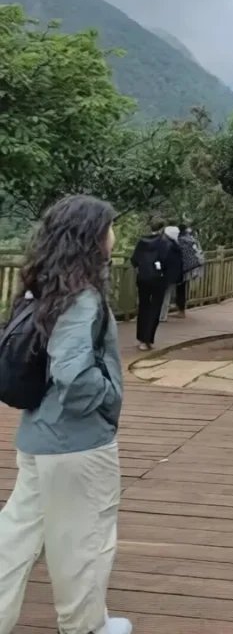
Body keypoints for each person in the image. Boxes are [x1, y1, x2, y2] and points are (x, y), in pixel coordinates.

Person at [0, 194, 131, 634]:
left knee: (16, 535)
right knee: (84, 538)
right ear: (92, 237)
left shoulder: (42, 288)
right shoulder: (82, 296)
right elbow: (73, 373)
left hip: (37, 436)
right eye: (109, 227)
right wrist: (107, 397)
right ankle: (85, 627)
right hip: (77, 443)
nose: (114, 235)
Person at [130, 216, 180, 350]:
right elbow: (169, 261)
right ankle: (148, 339)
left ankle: (141, 338)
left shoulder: (142, 241)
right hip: (159, 278)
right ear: (163, 228)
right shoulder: (165, 243)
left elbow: (134, 260)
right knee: (155, 307)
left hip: (143, 278)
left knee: (143, 306)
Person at [176, 223, 205, 319]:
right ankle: (182, 310)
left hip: (182, 268)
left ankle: (180, 311)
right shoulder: (191, 239)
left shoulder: (179, 240)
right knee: (183, 288)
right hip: (191, 267)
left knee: (180, 289)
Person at [158, 224, 183, 323]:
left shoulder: (165, 246)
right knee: (167, 296)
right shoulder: (177, 247)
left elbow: (163, 260)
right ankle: (163, 316)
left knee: (159, 295)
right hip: (173, 276)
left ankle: (158, 315)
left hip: (163, 274)